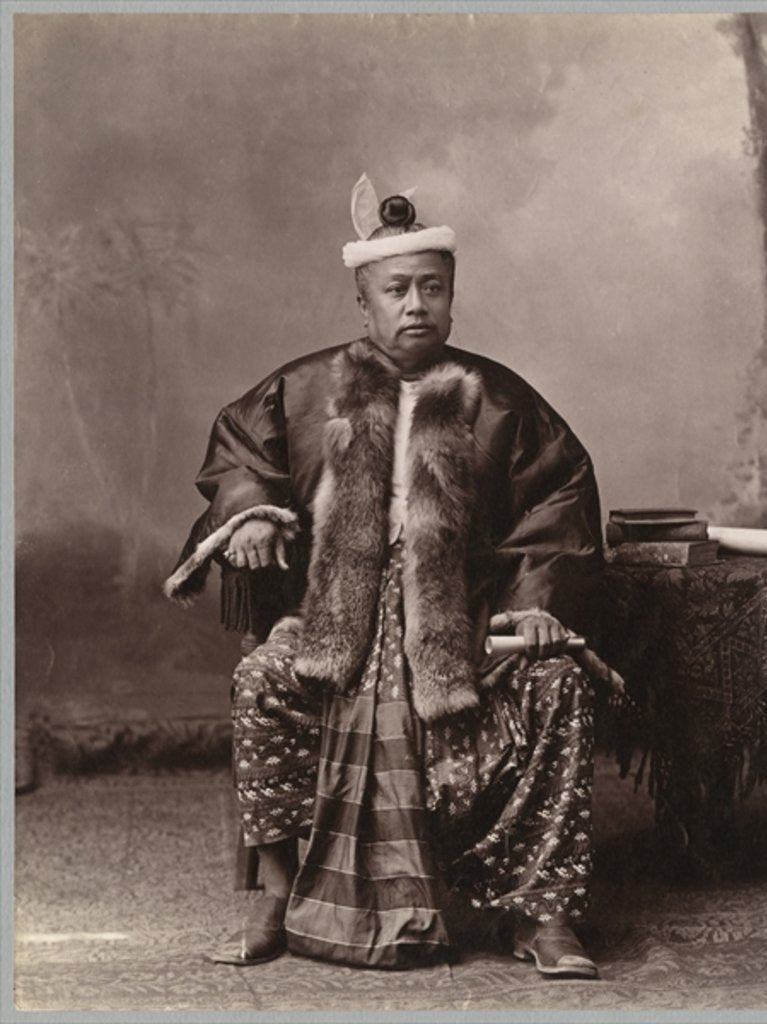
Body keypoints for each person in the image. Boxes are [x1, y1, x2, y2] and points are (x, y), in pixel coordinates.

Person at [164, 181, 623, 978]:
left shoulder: (502, 400)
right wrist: (254, 515)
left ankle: (544, 914)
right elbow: (239, 455)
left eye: (433, 288)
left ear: (452, 298)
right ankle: (273, 892)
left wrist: (533, 605)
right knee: (261, 680)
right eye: (398, 289)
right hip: (337, 629)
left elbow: (559, 497)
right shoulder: (305, 389)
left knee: (558, 691)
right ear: (362, 301)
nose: (417, 305)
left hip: (466, 629)